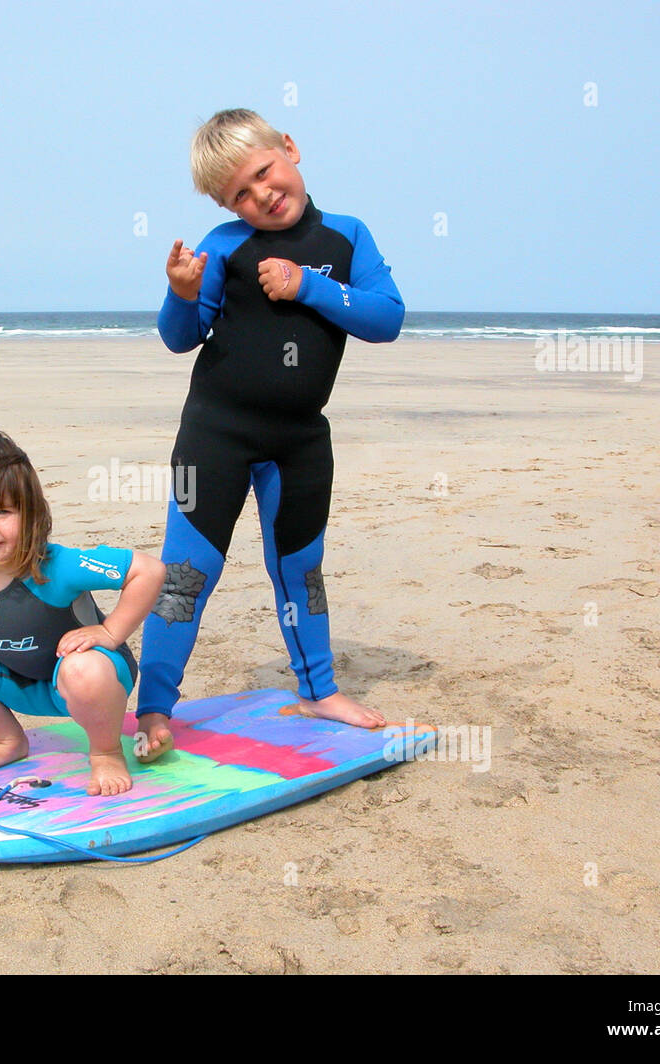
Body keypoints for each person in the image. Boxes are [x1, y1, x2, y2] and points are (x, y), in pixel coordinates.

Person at [136, 108, 405, 752]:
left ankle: (318, 690)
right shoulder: (224, 244)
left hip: (300, 442)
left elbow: (386, 317)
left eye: (264, 172)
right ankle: (153, 708)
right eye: (240, 195)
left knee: (300, 569)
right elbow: (181, 339)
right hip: (214, 437)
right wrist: (180, 292)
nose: (261, 196)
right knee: (185, 573)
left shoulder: (346, 237)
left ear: (290, 148)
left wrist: (307, 285)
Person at [0, 430, 166, 796]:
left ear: (29, 513)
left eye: (1, 511)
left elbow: (148, 570)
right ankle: (7, 740)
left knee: (84, 669)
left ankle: (106, 751)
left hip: (90, 681)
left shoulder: (56, 566)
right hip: (17, 682)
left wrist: (111, 633)